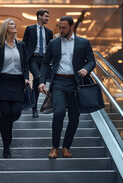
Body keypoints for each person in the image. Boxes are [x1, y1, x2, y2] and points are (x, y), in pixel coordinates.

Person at [38, 16, 95, 159]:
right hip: (58, 82)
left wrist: (86, 69)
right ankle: (55, 146)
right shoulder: (53, 43)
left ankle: (66, 147)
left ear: (71, 27)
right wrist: (42, 81)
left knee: (74, 117)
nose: (61, 30)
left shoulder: (84, 42)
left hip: (75, 84)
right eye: (59, 27)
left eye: (64, 27)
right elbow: (45, 63)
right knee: (58, 113)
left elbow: (92, 61)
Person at [0, 18, 30, 159]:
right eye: (11, 24)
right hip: (3, 82)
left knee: (15, 113)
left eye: (15, 24)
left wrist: (27, 77)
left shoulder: (21, 45)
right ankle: (6, 147)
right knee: (4, 113)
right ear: (5, 28)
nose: (15, 26)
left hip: (18, 83)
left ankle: (8, 128)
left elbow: (25, 64)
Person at [22, 9, 53, 118]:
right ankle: (34, 108)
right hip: (33, 59)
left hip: (44, 60)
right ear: (39, 16)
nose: (47, 18)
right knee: (38, 77)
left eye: (48, 16)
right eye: (46, 16)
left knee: (38, 81)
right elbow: (24, 44)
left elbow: (51, 48)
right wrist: (23, 59)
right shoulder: (30, 29)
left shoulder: (49, 32)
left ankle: (34, 107)